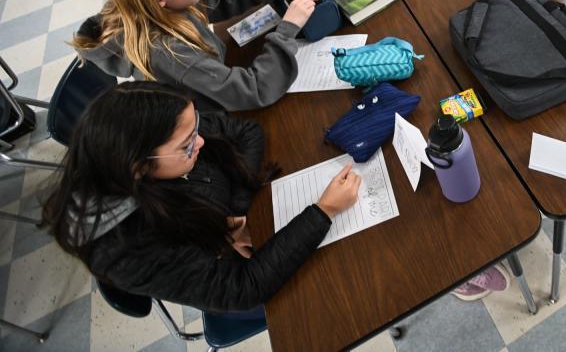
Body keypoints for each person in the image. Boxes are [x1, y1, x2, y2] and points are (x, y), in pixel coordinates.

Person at [42, 82, 360, 314]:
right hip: (231, 277)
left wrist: (230, 215)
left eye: (196, 128)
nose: (201, 141)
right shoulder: (126, 251)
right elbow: (243, 290)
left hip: (230, 234)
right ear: (139, 168)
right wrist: (324, 210)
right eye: (187, 144)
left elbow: (246, 131)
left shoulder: (166, 122)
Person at [73, 0, 317, 112]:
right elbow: (254, 90)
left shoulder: (146, 4)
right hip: (212, 124)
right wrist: (287, 30)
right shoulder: (170, 56)